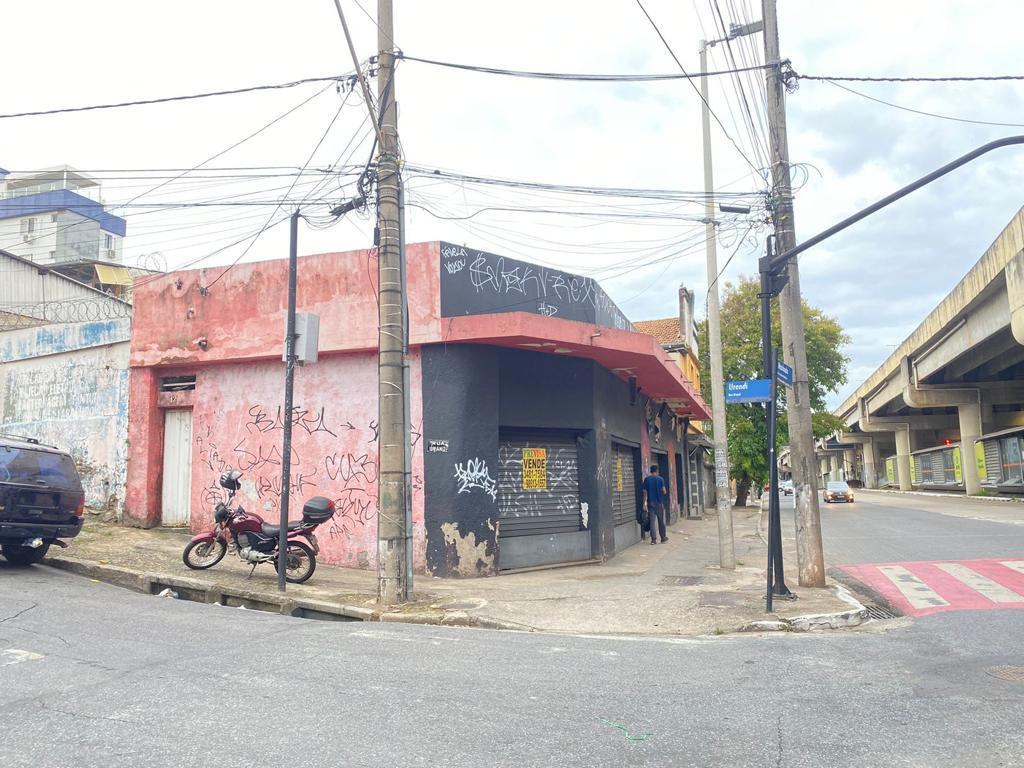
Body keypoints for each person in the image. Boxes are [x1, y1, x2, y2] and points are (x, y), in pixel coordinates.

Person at [641, 465, 668, 545]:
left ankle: (653, 540)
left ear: (651, 471)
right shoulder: (660, 479)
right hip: (659, 503)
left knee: (652, 522)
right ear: (657, 471)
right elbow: (664, 491)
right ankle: (662, 538)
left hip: (650, 503)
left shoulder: (647, 479)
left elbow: (644, 492)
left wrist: (644, 504)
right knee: (661, 521)